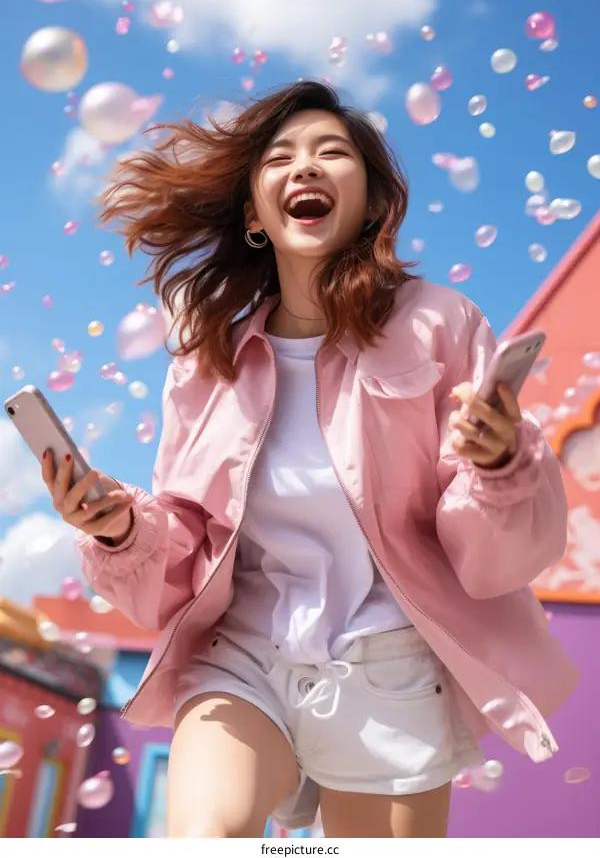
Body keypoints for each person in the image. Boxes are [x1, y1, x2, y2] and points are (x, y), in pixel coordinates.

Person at [42, 80, 578, 839]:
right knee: (203, 839)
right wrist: (121, 529)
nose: (305, 166)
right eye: (279, 158)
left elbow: (491, 560)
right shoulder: (208, 359)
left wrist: (498, 466)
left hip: (391, 670)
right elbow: (189, 533)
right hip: (243, 656)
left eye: (332, 152)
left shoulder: (439, 323)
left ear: (372, 202)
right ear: (253, 215)